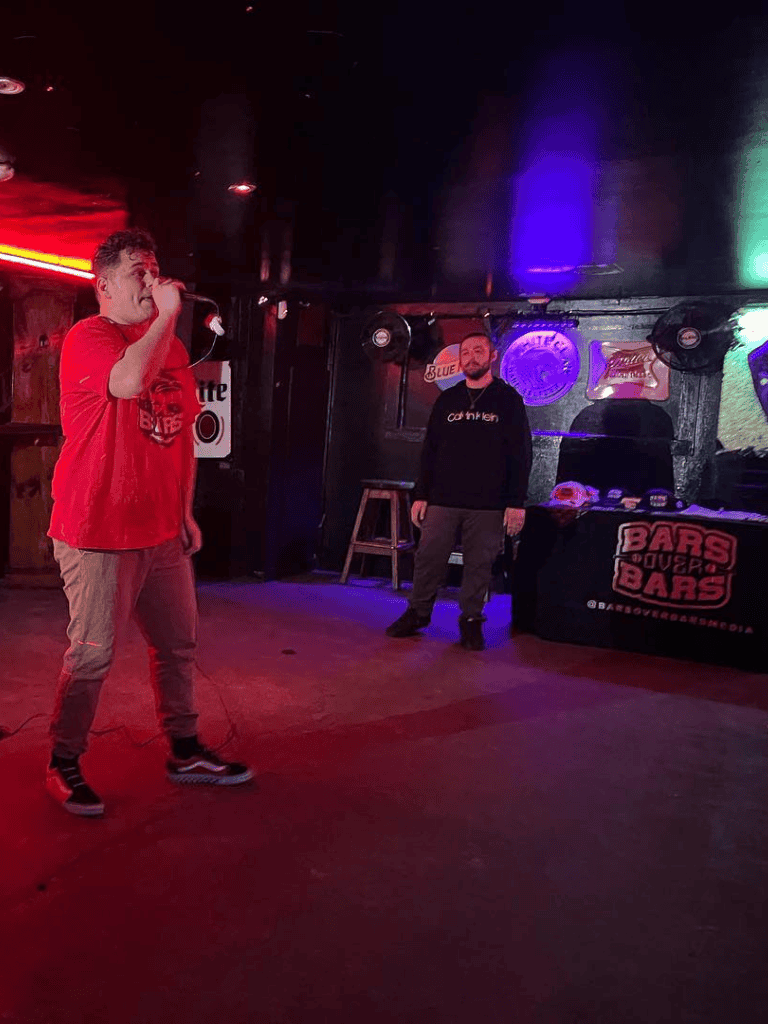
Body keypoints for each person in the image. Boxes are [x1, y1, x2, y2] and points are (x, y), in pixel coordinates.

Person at [46, 228, 251, 817]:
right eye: (139, 271)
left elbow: (182, 436)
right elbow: (129, 382)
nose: (153, 281)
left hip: (160, 531)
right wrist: (166, 319)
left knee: (177, 644)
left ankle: (184, 750)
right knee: (91, 653)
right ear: (104, 285)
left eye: (155, 269)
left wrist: (184, 512)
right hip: (97, 530)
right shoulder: (91, 336)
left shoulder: (175, 351)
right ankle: (63, 760)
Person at [386, 333, 532, 650]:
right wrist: (421, 494)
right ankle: (418, 613)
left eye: (478, 351)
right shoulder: (447, 400)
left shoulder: (508, 400)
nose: (471, 357)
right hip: (443, 499)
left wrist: (515, 503)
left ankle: (470, 622)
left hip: (489, 503)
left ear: (492, 356)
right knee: (428, 558)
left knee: (479, 565)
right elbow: (430, 450)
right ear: (460, 359)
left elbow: (521, 453)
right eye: (466, 352)